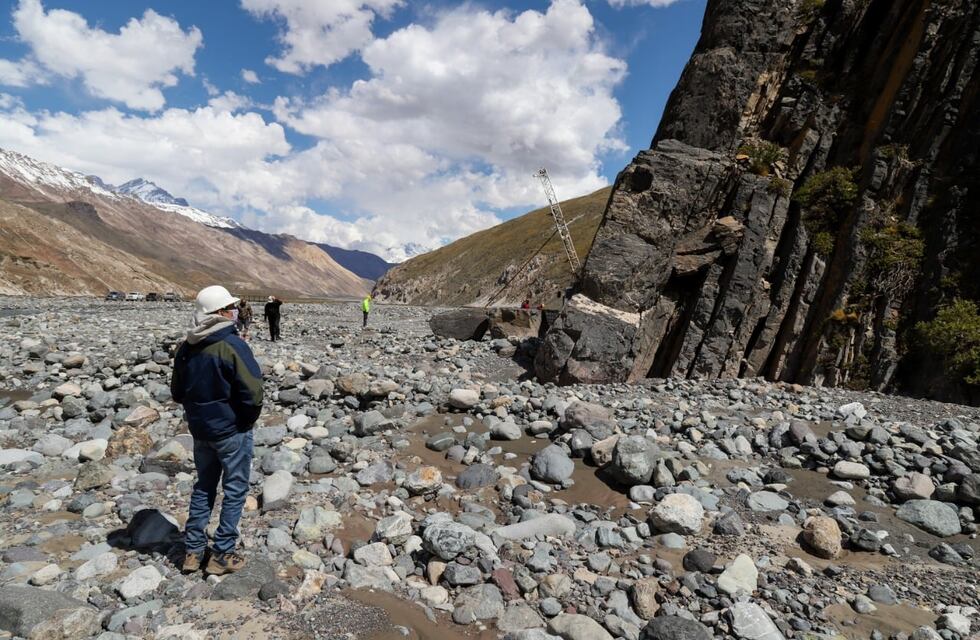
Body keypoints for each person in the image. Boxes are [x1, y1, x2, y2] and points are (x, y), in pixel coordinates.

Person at [170, 285, 263, 576]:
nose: (235, 311)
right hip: (232, 430)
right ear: (221, 313)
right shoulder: (232, 345)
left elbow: (177, 391)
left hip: (200, 430)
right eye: (231, 307)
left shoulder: (187, 346)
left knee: (204, 486)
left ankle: (193, 552)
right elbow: (253, 393)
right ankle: (222, 554)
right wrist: (245, 421)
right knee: (235, 490)